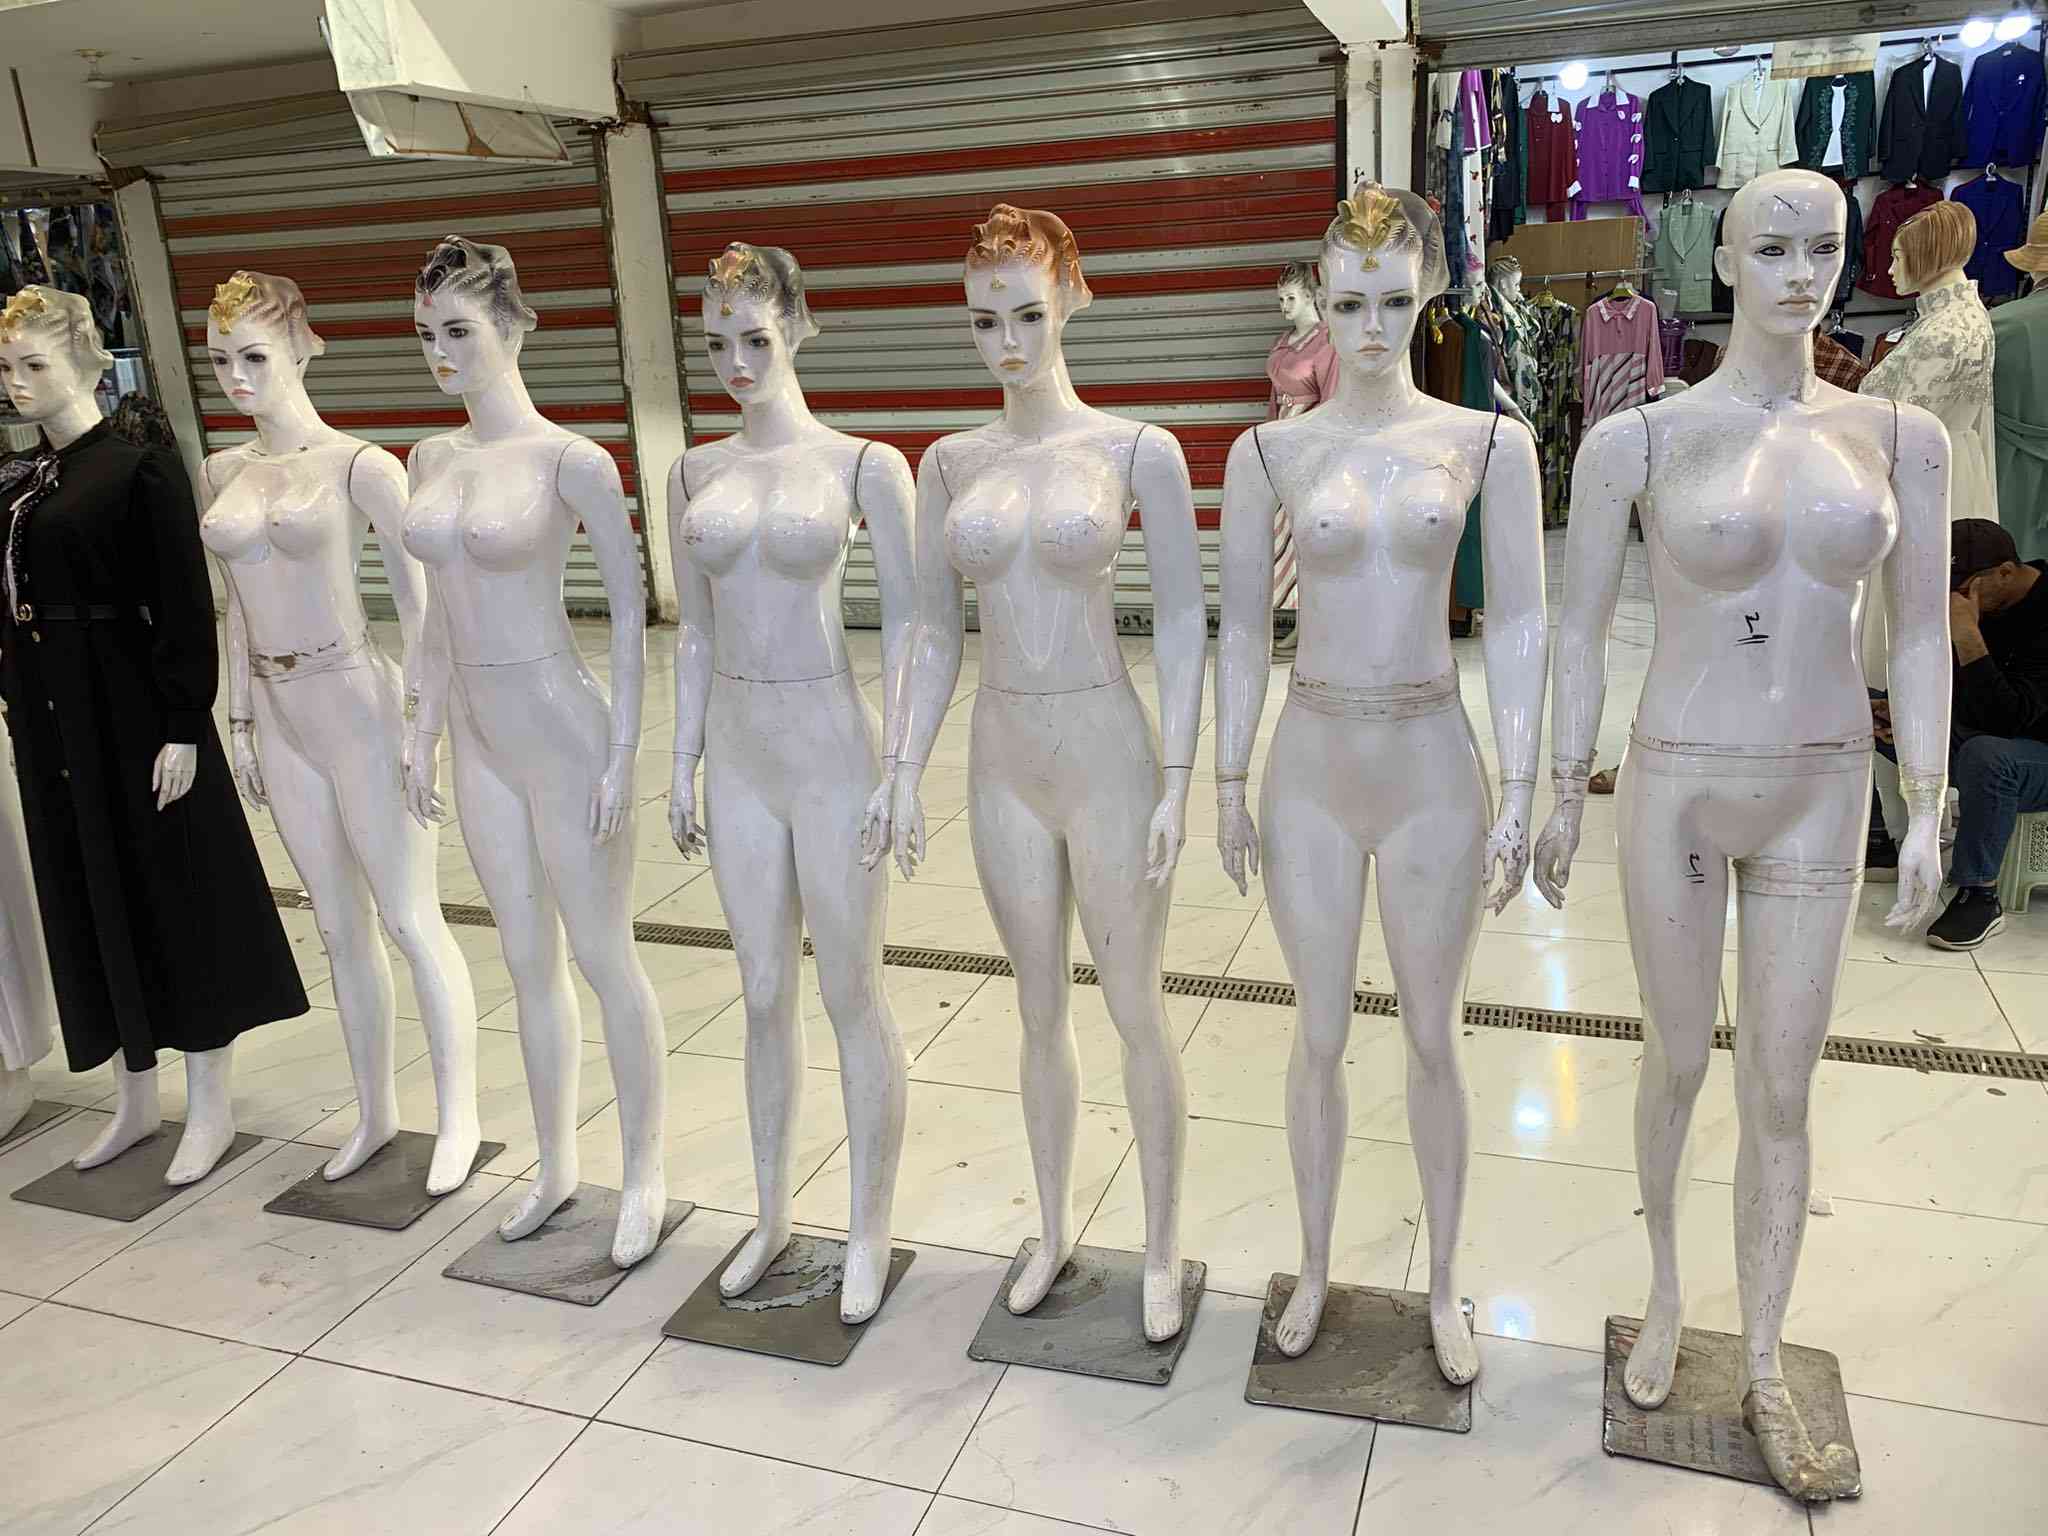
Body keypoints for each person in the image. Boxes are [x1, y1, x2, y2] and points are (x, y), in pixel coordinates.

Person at [1893, 519, 2048, 949]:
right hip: (1999, 739)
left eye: (1963, 589)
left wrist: (1967, 633)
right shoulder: (1991, 605)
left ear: (2005, 572)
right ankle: (1881, 841)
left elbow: (2009, 718)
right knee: (1889, 718)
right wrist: (1900, 712)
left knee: (1987, 755)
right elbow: (1970, 703)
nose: (1954, 601)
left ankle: (1979, 894)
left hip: (2034, 753)